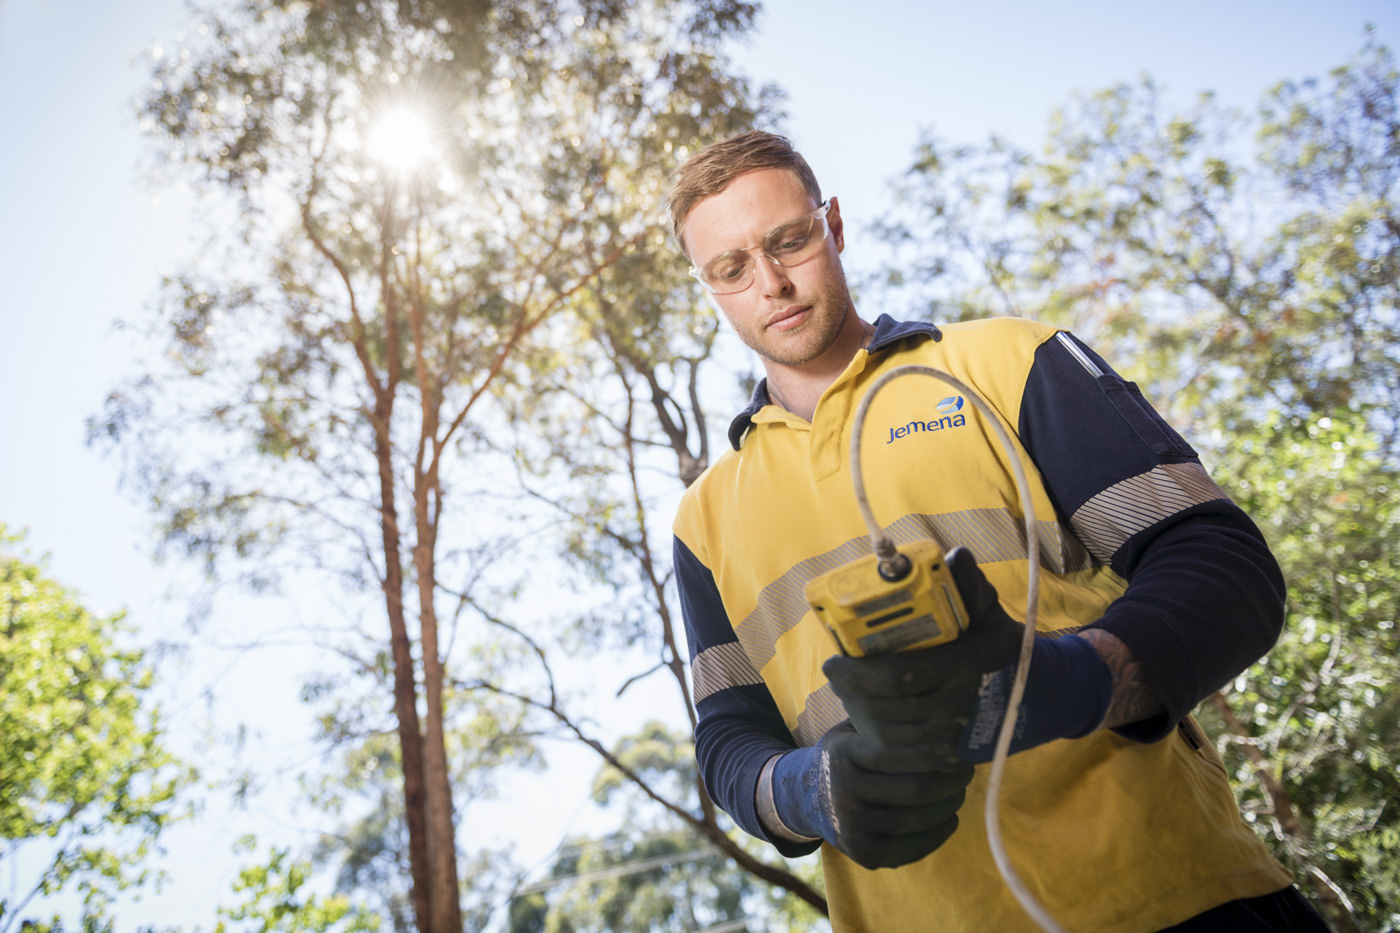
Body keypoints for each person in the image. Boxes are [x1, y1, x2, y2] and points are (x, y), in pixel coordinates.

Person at [667, 130, 1332, 932]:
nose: (771, 282)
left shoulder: (1007, 361)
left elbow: (1224, 569)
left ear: (832, 224)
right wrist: (814, 788)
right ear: (707, 285)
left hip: (1184, 898)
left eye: (788, 240)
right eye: (732, 269)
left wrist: (1062, 683)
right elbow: (730, 742)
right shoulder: (704, 519)